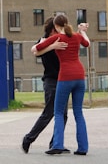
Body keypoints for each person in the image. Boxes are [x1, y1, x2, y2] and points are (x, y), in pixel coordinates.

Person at [31, 14, 90, 156]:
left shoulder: (57, 38)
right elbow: (87, 43)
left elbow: (36, 49)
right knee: (78, 113)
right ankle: (83, 148)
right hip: (80, 76)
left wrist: (51, 45)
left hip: (65, 77)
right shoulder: (76, 36)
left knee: (58, 112)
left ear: (56, 26)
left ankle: (57, 144)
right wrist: (82, 31)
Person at [22, 17, 69, 154]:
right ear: (52, 29)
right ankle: (28, 138)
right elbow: (35, 51)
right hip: (51, 81)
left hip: (63, 80)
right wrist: (52, 47)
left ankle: (56, 143)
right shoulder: (43, 41)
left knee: (64, 115)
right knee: (49, 113)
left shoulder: (61, 39)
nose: (60, 30)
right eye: (57, 28)